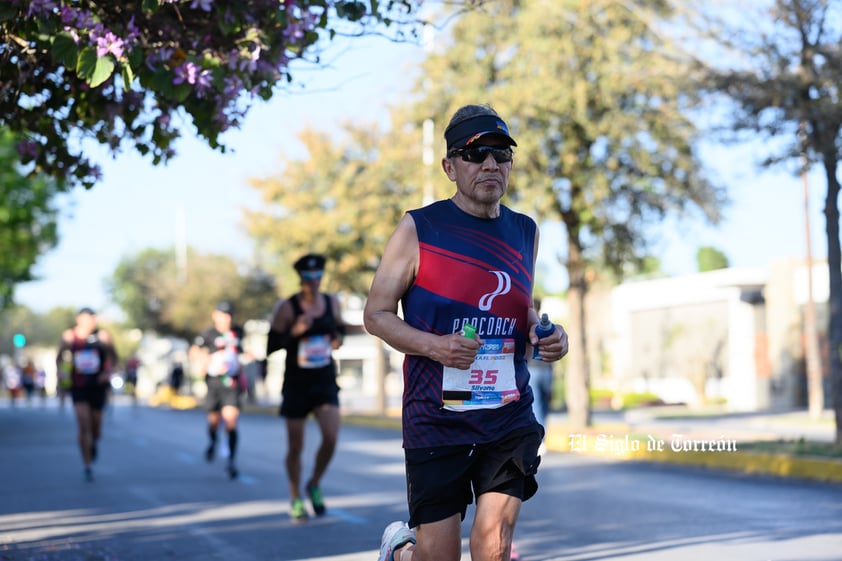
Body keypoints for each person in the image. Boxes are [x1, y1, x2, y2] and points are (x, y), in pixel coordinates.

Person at [364, 104, 569, 561]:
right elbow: (376, 314)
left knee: (493, 545)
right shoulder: (419, 227)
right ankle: (399, 551)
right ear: (450, 166)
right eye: (475, 156)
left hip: (506, 412)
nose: (491, 165)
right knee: (438, 556)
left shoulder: (525, 230)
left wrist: (546, 334)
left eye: (501, 154)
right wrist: (435, 347)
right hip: (435, 416)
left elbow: (521, 308)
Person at [268, 253, 346, 523]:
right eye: (308, 277)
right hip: (297, 384)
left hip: (324, 380)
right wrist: (294, 333)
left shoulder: (331, 303)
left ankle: (313, 482)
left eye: (318, 276)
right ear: (300, 278)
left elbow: (339, 332)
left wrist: (337, 340)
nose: (313, 281)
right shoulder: (287, 307)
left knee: (331, 437)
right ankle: (295, 498)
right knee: (296, 446)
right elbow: (271, 345)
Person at [56, 307, 119, 482]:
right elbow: (59, 359)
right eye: (86, 318)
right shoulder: (69, 336)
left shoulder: (103, 336)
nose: (91, 322)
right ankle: (87, 466)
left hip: (98, 386)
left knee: (96, 428)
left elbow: (114, 358)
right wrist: (62, 380)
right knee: (83, 424)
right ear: (78, 319)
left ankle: (94, 443)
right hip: (79, 386)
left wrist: (107, 373)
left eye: (93, 318)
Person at [191, 300, 246, 480]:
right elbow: (194, 351)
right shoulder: (208, 334)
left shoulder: (238, 332)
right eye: (223, 314)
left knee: (231, 421)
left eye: (229, 315)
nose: (227, 318)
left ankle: (232, 461)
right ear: (215, 315)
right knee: (214, 421)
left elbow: (243, 351)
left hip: (231, 383)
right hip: (214, 383)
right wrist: (203, 360)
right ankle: (213, 440)